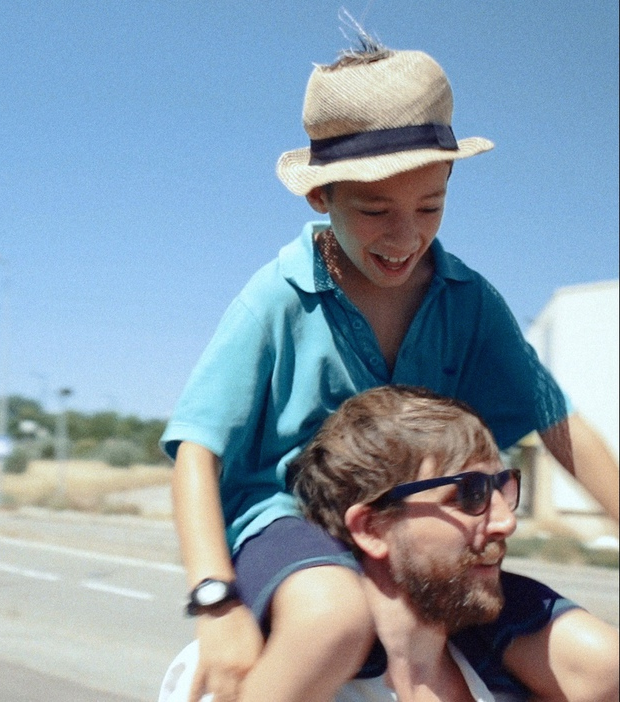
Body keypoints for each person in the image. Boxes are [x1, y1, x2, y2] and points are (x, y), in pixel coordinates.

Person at [161, 26, 619, 702]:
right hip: (293, 528)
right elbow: (197, 453)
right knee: (330, 617)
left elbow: (558, 425)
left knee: (600, 663)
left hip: (424, 537)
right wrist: (214, 599)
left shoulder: (468, 300)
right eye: (376, 210)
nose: (406, 235)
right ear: (322, 196)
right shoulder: (274, 299)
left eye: (429, 206)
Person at [292, 386, 619, 702]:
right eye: (469, 494)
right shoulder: (311, 689)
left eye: (502, 486)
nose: (506, 522)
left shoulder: (510, 683)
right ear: (372, 529)